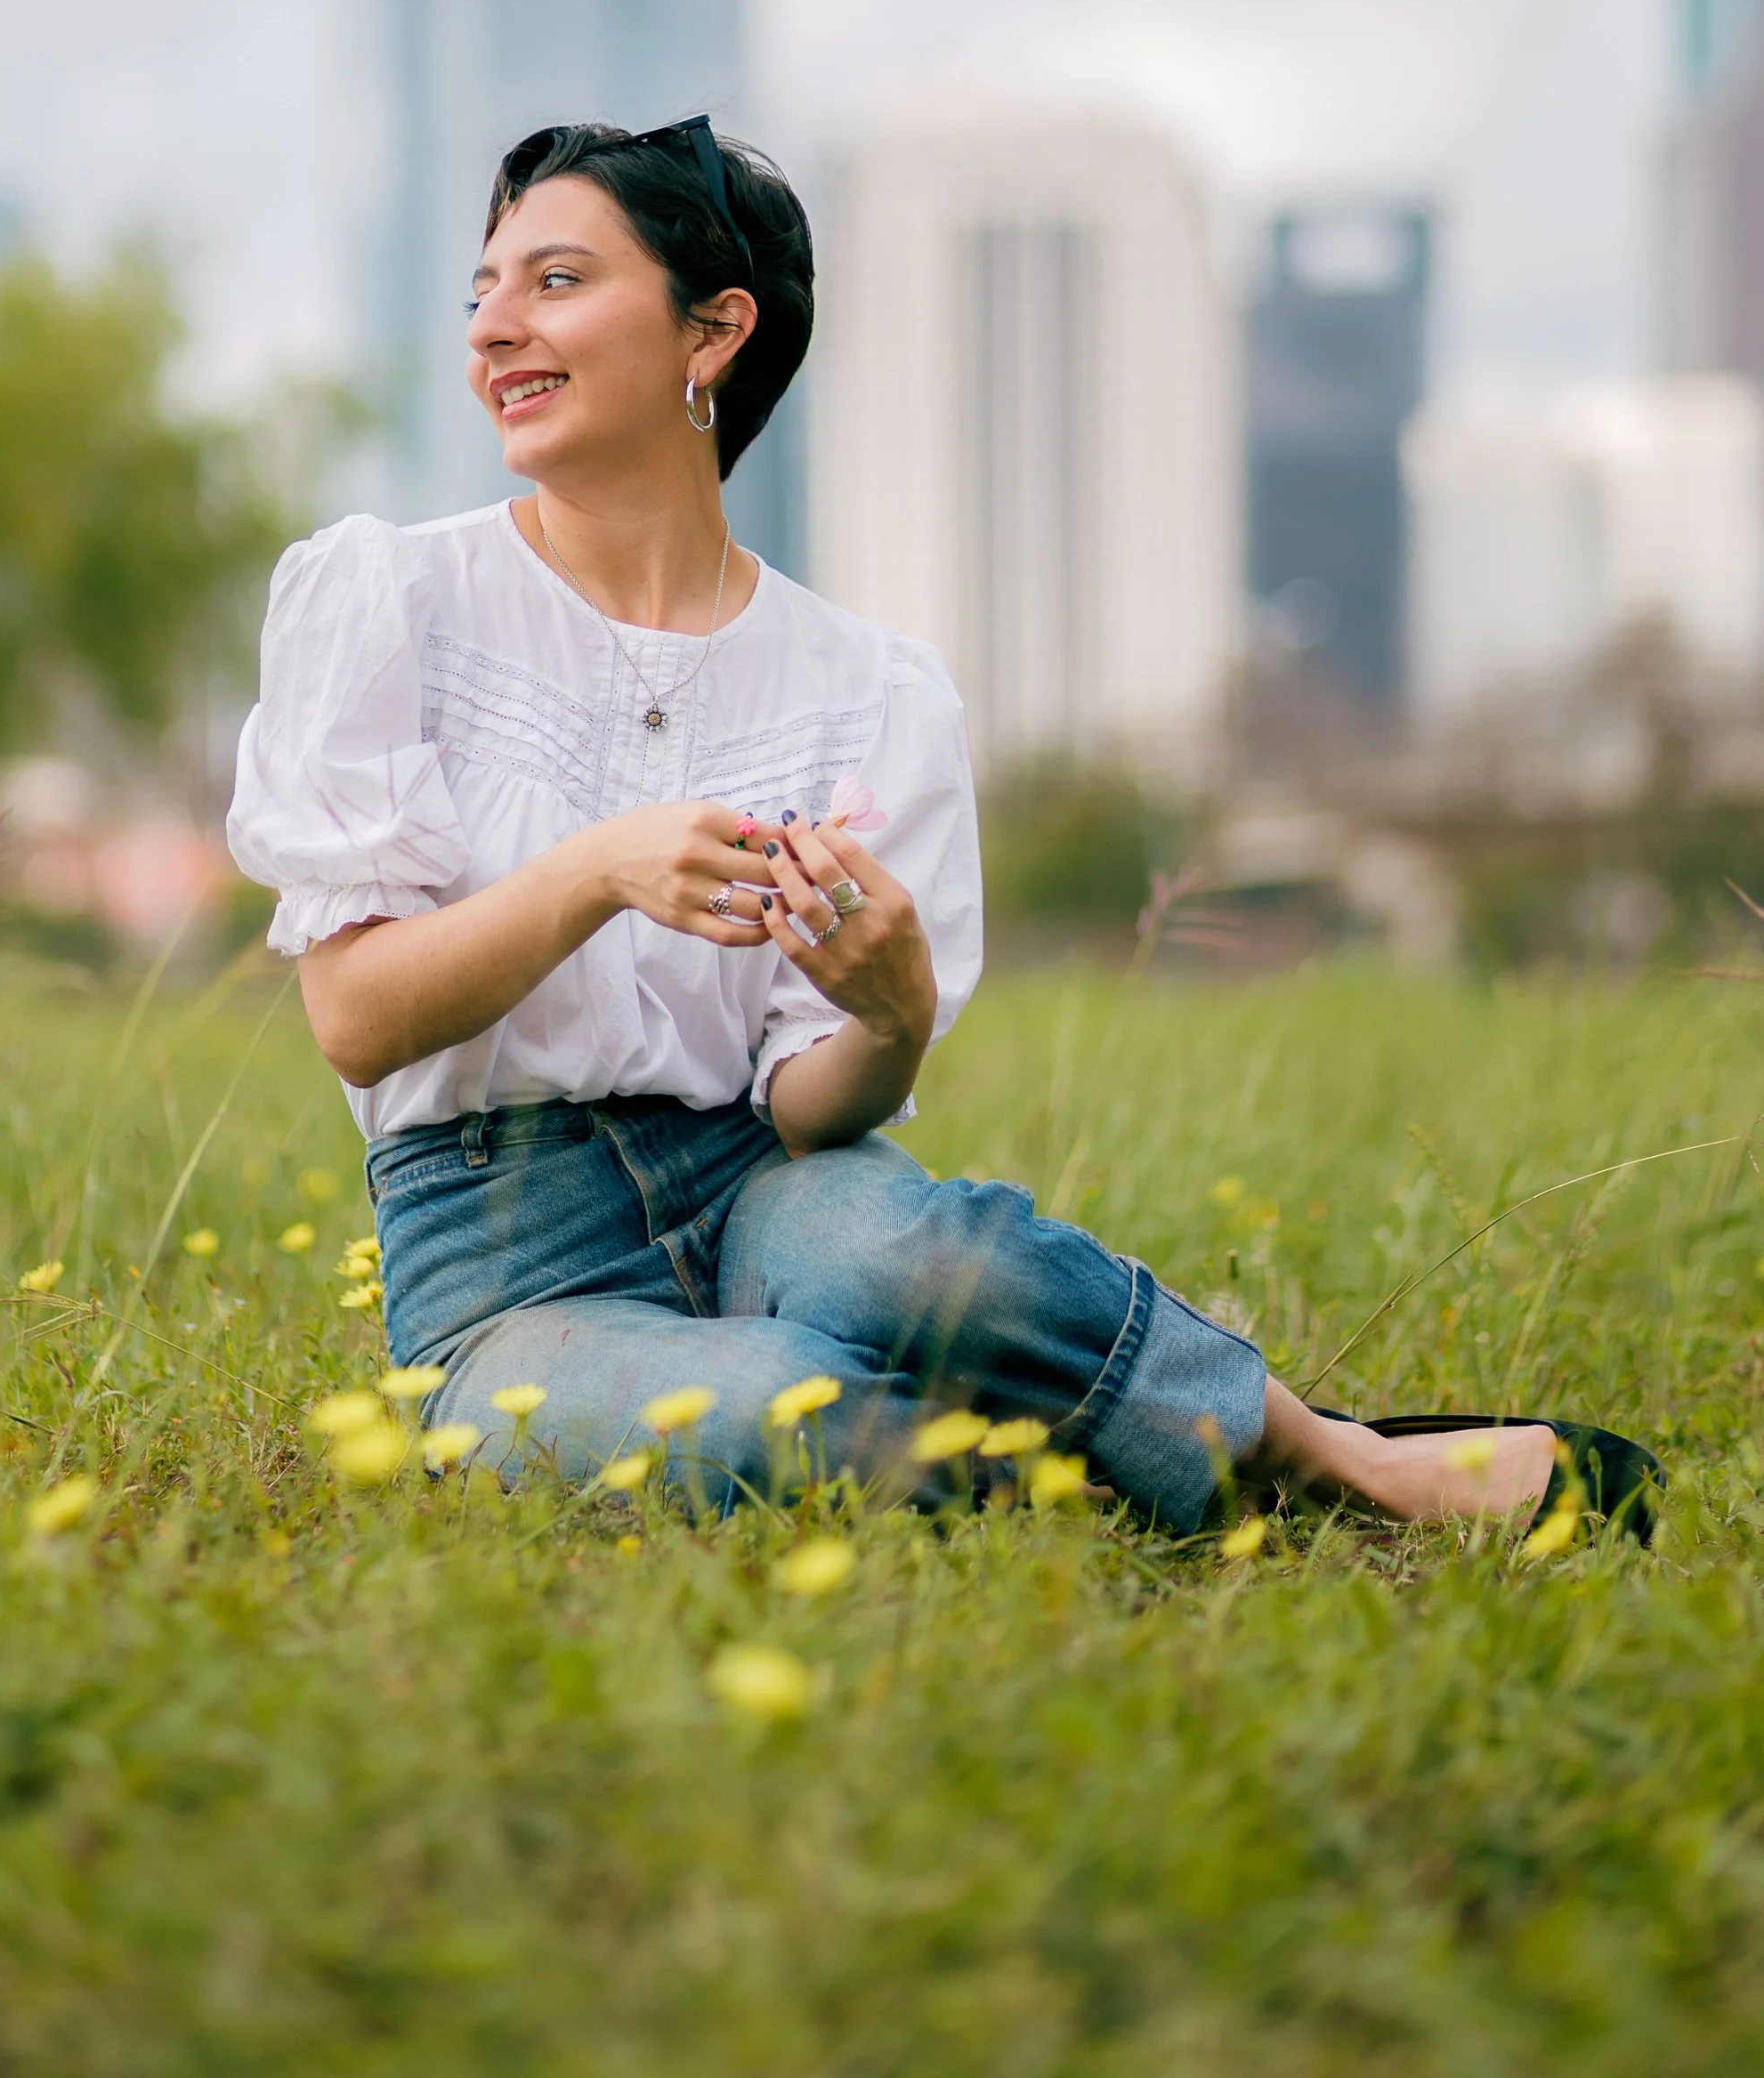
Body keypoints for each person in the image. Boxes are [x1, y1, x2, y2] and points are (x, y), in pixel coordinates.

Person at [227, 117, 1640, 1538]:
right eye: (484, 290)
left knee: (930, 1256)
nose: (493, 331)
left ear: (713, 332)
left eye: (553, 281)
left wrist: (889, 1019)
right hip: (507, 1269)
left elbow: (803, 1103)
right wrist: (595, 873)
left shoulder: (866, 685)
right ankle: (1058, 1476)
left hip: (765, 1181)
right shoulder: (393, 603)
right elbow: (355, 1015)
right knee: (778, 1413)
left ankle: (1343, 1461)